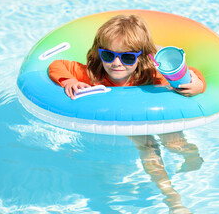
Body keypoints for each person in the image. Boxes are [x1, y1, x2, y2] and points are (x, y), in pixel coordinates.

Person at [48, 14, 205, 213]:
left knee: (174, 142)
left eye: (128, 57)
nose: (116, 63)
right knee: (147, 147)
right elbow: (57, 65)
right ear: (100, 54)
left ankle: (192, 158)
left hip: (157, 116)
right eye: (108, 55)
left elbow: (190, 74)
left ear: (141, 57)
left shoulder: (152, 72)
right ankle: (173, 200)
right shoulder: (94, 74)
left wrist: (198, 86)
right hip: (129, 121)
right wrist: (69, 81)